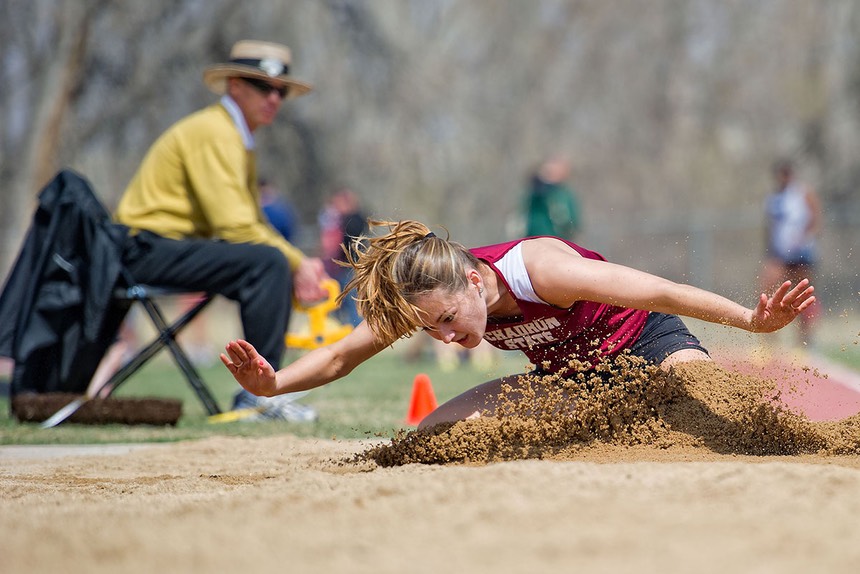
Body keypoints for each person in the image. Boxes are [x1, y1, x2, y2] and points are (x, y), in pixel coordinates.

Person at [220, 219, 816, 430]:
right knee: (436, 436)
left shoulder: (542, 271)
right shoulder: (432, 298)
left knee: (718, 412)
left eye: (449, 322)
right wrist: (272, 386)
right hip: (571, 380)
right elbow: (339, 356)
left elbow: (660, 290)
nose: (447, 339)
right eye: (433, 332)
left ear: (476, 281)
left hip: (648, 344)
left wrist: (750, 320)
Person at [116, 40, 329, 422]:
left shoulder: (235, 135)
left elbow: (250, 221)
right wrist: (298, 263)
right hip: (144, 249)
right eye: (265, 87)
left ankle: (263, 390)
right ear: (235, 86)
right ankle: (261, 395)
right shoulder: (215, 132)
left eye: (281, 91)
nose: (275, 98)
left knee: (268, 262)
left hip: (167, 247)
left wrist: (294, 264)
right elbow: (233, 226)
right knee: (267, 263)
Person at [760, 159, 823, 347]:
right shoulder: (773, 199)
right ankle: (769, 342)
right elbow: (770, 227)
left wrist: (803, 238)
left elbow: (815, 218)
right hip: (779, 253)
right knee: (767, 290)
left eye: (786, 173)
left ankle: (804, 342)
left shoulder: (803, 194)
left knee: (803, 294)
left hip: (801, 253)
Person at [523, 156, 581, 240]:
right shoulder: (533, 194)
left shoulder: (563, 195)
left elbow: (572, 222)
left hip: (556, 241)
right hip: (531, 240)